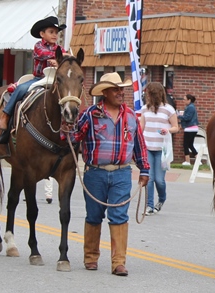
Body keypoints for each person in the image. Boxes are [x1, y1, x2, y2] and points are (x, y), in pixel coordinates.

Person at [67, 72, 149, 276]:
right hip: (95, 172)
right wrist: (66, 130)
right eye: (116, 89)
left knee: (119, 215)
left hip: (122, 173)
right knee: (94, 215)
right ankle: (91, 257)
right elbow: (75, 136)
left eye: (122, 89)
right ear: (104, 92)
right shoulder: (90, 114)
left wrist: (144, 168)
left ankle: (118, 262)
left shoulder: (130, 116)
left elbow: (139, 144)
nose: (121, 92)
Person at [0, 16, 67, 131]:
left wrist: (60, 60)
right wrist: (61, 57)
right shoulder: (38, 46)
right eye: (51, 32)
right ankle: (6, 115)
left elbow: (65, 58)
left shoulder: (60, 48)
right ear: (42, 34)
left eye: (56, 32)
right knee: (21, 88)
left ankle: (70, 123)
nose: (55, 35)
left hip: (54, 79)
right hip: (39, 79)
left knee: (69, 95)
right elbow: (43, 54)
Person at [140, 82, 179, 216]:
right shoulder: (144, 109)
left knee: (159, 180)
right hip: (147, 147)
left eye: (148, 94)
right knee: (149, 178)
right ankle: (149, 205)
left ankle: (162, 198)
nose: (147, 96)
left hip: (162, 150)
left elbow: (176, 127)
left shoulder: (168, 109)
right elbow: (141, 127)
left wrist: (167, 130)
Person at [178, 94, 199, 166]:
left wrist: (178, 116)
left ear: (189, 100)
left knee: (186, 145)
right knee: (190, 145)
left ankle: (187, 161)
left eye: (184, 99)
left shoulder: (190, 107)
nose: (183, 101)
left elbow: (187, 118)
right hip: (193, 128)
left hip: (189, 128)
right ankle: (198, 160)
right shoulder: (191, 107)